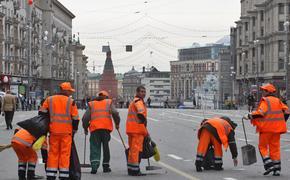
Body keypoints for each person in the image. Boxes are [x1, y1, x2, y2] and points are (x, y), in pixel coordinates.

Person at [244, 83, 290, 176]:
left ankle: (269, 165)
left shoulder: (266, 101)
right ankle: (277, 169)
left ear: (267, 92)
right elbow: (287, 111)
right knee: (275, 148)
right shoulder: (278, 100)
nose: (262, 92)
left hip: (266, 128)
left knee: (263, 147)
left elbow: (261, 113)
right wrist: (282, 121)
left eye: (263, 90)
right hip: (277, 129)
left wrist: (249, 115)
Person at [39, 82, 80, 180]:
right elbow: (76, 118)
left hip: (53, 132)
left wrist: (46, 127)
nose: (70, 93)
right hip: (66, 133)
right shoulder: (71, 102)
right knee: (64, 154)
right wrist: (74, 130)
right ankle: (63, 176)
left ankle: (50, 175)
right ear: (65, 90)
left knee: (53, 153)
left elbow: (41, 114)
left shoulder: (49, 100)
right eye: (69, 91)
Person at [82, 90, 120, 174]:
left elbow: (85, 118)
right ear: (106, 97)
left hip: (95, 129)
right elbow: (115, 112)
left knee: (95, 147)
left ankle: (94, 167)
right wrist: (117, 123)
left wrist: (85, 127)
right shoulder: (108, 102)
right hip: (106, 129)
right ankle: (106, 166)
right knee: (106, 147)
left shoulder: (92, 104)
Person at [126, 86, 149, 176]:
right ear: (137, 92)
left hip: (131, 129)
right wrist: (144, 123)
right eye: (142, 92)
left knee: (132, 150)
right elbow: (141, 113)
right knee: (136, 150)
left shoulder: (134, 101)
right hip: (137, 130)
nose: (143, 93)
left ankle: (131, 169)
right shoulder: (138, 101)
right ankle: (135, 170)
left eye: (144, 92)